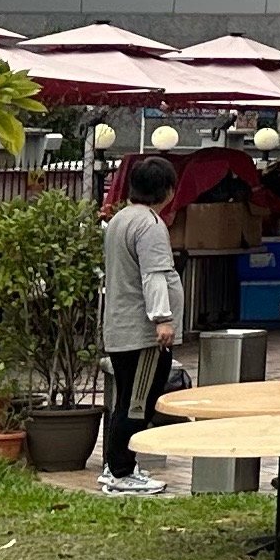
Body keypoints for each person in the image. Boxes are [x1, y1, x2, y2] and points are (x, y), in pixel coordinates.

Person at [97, 153, 184, 495]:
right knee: (137, 402)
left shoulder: (121, 218)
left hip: (122, 328)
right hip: (141, 334)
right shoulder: (150, 224)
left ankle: (117, 465)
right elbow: (154, 275)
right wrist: (162, 319)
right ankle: (121, 471)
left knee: (129, 399)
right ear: (169, 190)